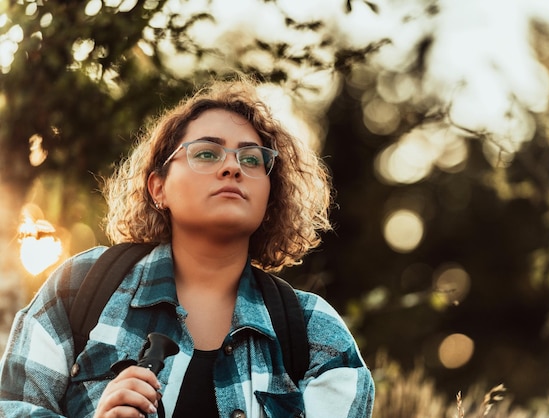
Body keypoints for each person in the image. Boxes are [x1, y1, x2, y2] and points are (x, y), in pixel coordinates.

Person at [0, 78, 375, 417]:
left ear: (270, 194)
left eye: (251, 158)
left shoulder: (316, 334)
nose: (233, 168)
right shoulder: (78, 286)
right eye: (207, 154)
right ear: (158, 188)